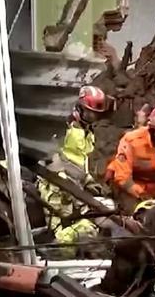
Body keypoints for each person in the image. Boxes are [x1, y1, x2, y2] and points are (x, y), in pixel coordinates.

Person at [37, 86, 108, 256]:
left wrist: (89, 181)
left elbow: (80, 161)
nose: (92, 117)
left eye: (95, 114)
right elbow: (49, 152)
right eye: (89, 112)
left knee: (88, 224)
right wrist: (61, 177)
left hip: (75, 187)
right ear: (79, 107)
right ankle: (52, 254)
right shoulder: (64, 126)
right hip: (55, 187)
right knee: (61, 230)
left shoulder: (87, 131)